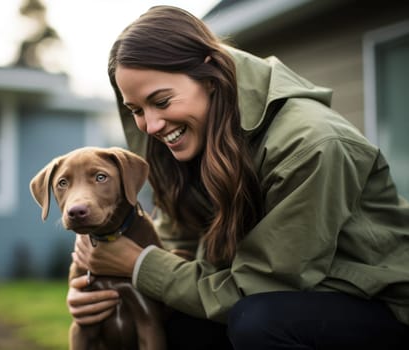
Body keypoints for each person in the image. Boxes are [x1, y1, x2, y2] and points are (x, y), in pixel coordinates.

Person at [67, 5, 409, 349]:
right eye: (137, 111)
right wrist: (101, 289)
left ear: (210, 74)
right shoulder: (194, 139)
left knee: (257, 321)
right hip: (296, 296)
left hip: (385, 308)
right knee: (181, 320)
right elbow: (178, 249)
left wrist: (139, 265)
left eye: (162, 101)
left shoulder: (312, 145)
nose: (152, 126)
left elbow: (265, 284)